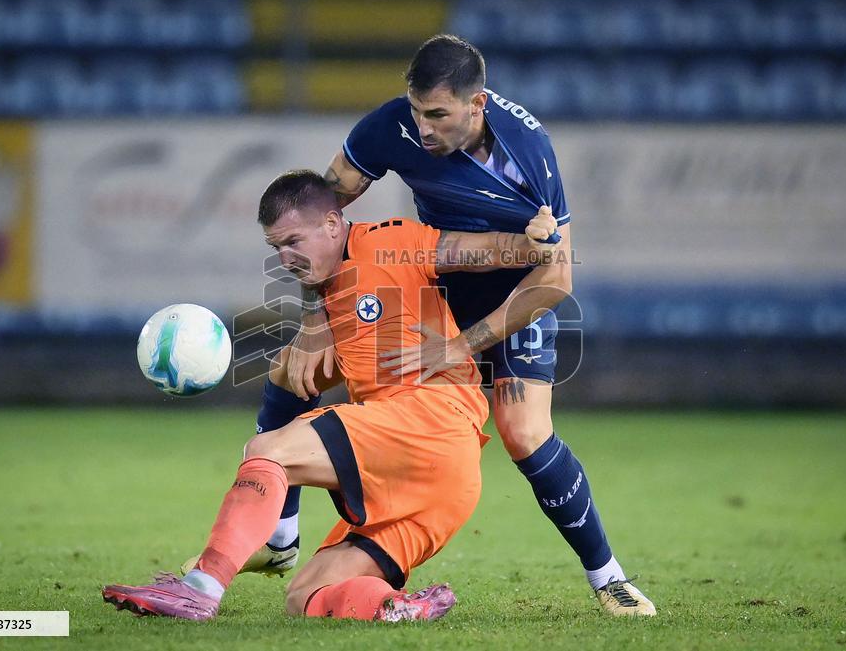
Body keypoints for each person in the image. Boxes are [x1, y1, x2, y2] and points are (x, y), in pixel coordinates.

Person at [250, 35, 656, 617]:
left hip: (514, 296)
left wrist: (464, 346)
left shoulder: (530, 153)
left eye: (437, 115)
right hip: (434, 281)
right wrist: (317, 315)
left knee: (523, 432)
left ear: (477, 105)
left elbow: (556, 278)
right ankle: (281, 536)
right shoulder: (387, 128)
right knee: (294, 367)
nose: (423, 128)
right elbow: (318, 220)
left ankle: (608, 578)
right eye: (416, 111)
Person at [103, 170, 562, 622]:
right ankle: (398, 608)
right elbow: (291, 372)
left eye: (293, 242)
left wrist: (533, 240)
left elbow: (485, 251)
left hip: (431, 421)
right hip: (442, 485)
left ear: (331, 224)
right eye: (275, 247)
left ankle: (202, 588)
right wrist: (310, 325)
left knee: (267, 452)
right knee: (307, 595)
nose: (284, 257)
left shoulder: (393, 241)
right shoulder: (326, 308)